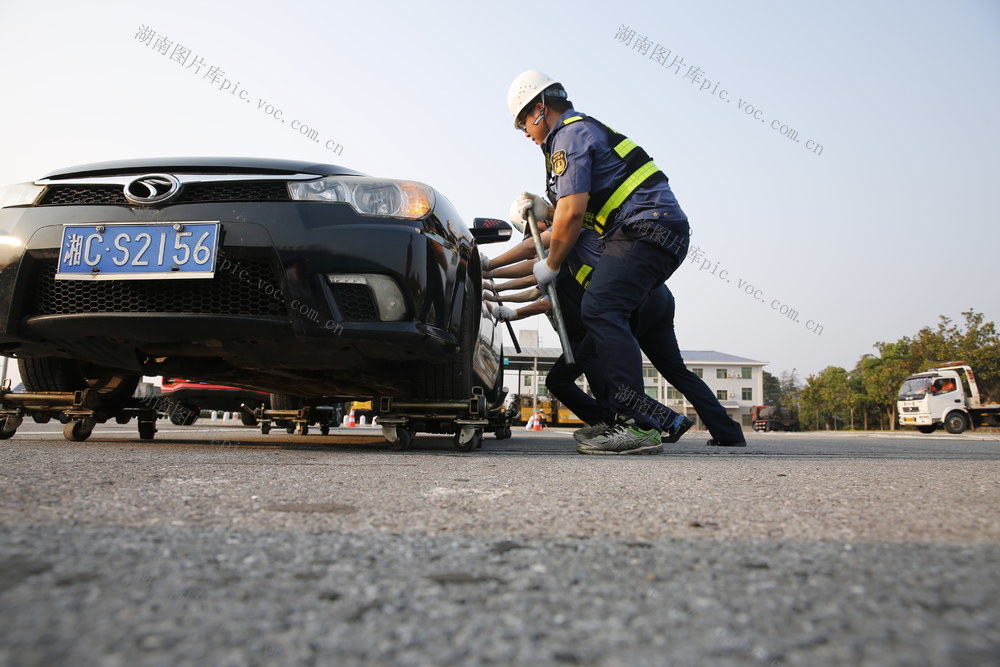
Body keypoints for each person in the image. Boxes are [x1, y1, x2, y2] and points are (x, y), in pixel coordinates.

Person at [506, 69, 697, 454]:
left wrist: (553, 262)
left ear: (540, 108)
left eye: (524, 121)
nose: (526, 132)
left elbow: (572, 214)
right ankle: (637, 420)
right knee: (603, 312)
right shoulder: (580, 131)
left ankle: (639, 427)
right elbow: (570, 206)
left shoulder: (568, 136)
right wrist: (548, 208)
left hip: (646, 228)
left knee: (601, 309)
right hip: (650, 229)